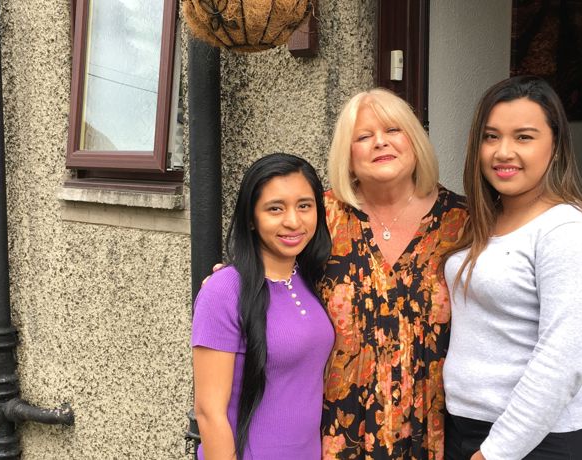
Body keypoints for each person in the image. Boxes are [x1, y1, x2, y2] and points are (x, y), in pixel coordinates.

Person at [442, 76, 582, 460]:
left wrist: (496, 453)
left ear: (555, 146)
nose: (503, 152)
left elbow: (559, 365)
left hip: (542, 441)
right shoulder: (480, 222)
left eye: (524, 137)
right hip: (468, 429)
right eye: (491, 137)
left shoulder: (568, 230)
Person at [320, 88, 469, 459]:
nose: (380, 143)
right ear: (348, 156)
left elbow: (505, 285)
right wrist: (228, 280)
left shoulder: (462, 222)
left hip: (432, 427)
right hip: (340, 428)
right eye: (364, 136)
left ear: (415, 141)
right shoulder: (322, 217)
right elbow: (273, 272)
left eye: (393, 130)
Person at [191, 153, 334, 460]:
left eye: (304, 206)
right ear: (251, 219)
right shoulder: (224, 290)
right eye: (275, 209)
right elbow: (208, 412)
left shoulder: (309, 278)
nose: (293, 221)